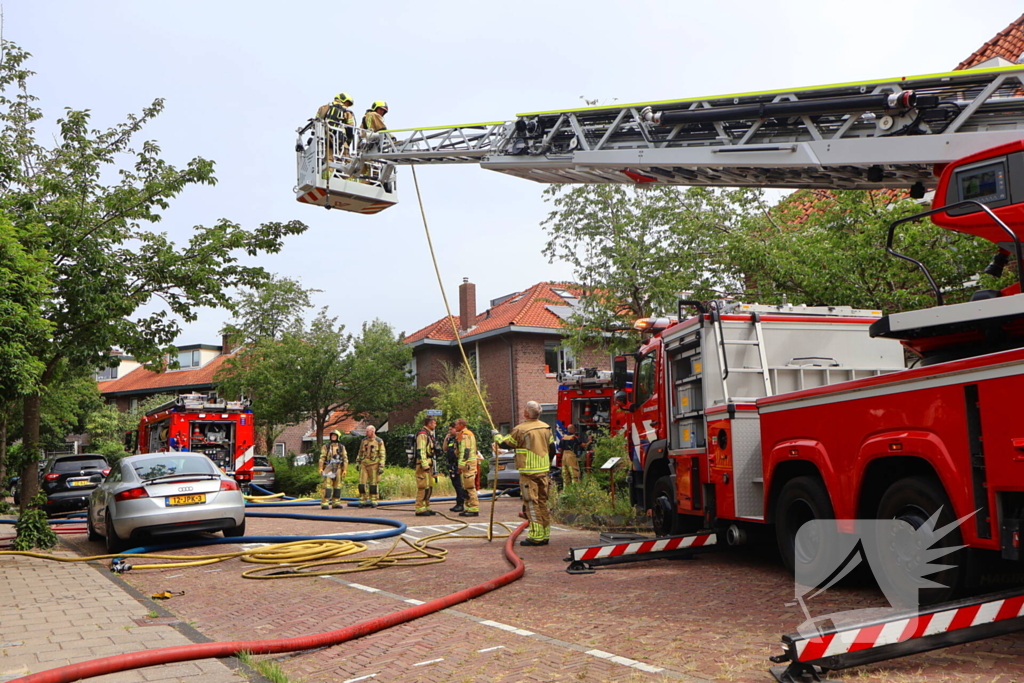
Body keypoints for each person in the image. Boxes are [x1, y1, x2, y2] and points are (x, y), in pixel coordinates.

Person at [494, 401, 553, 546]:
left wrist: (496, 435)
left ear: (526, 413)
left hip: (528, 471)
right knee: (542, 502)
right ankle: (545, 534)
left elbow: (506, 444)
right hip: (543, 471)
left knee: (531, 503)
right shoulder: (546, 427)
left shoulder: (521, 429)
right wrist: (547, 465)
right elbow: (552, 448)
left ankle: (536, 536)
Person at [316, 92, 356, 174]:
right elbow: (350, 129)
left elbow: (316, 122)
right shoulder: (347, 112)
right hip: (340, 140)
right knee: (346, 160)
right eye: (347, 103)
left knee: (328, 158)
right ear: (342, 100)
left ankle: (328, 174)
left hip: (324, 138)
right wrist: (348, 142)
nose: (347, 105)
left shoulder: (324, 108)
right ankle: (345, 176)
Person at [356, 425, 386, 507]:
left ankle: (374, 500)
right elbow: (360, 452)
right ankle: (362, 500)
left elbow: (382, 454)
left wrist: (381, 466)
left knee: (373, 483)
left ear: (372, 432)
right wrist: (358, 462)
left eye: (367, 431)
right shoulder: (364, 441)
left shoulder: (379, 441)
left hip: (374, 465)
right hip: (364, 464)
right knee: (362, 483)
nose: (366, 433)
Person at [454, 419, 479, 517]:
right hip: (467, 465)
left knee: (469, 487)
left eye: (456, 425)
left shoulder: (466, 435)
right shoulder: (463, 434)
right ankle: (468, 507)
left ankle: (473, 508)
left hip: (468, 465)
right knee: (466, 487)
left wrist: (461, 465)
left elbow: (465, 451)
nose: (455, 426)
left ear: (461, 425)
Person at [414, 417, 438, 516]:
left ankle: (426, 506)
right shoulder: (422, 435)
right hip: (424, 464)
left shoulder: (429, 434)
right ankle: (419, 508)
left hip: (430, 462)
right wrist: (424, 465)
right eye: (434, 423)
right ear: (430, 423)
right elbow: (421, 450)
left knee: (429, 486)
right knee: (423, 486)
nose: (435, 425)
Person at [318, 430, 348, 510]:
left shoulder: (341, 447)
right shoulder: (326, 446)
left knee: (337, 486)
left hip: (338, 468)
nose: (333, 437)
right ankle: (325, 503)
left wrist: (345, 469)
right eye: (332, 436)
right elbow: (322, 457)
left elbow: (345, 459)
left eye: (335, 436)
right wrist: (320, 468)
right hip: (329, 468)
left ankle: (336, 503)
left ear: (338, 437)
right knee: (327, 486)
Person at [442, 423, 467, 512]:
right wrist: (446, 439)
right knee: (455, 484)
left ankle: (461, 504)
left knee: (459, 484)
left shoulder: (460, 439)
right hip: (452, 464)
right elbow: (444, 449)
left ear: (455, 429)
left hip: (457, 464)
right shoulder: (451, 439)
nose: (449, 431)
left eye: (450, 429)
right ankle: (458, 503)